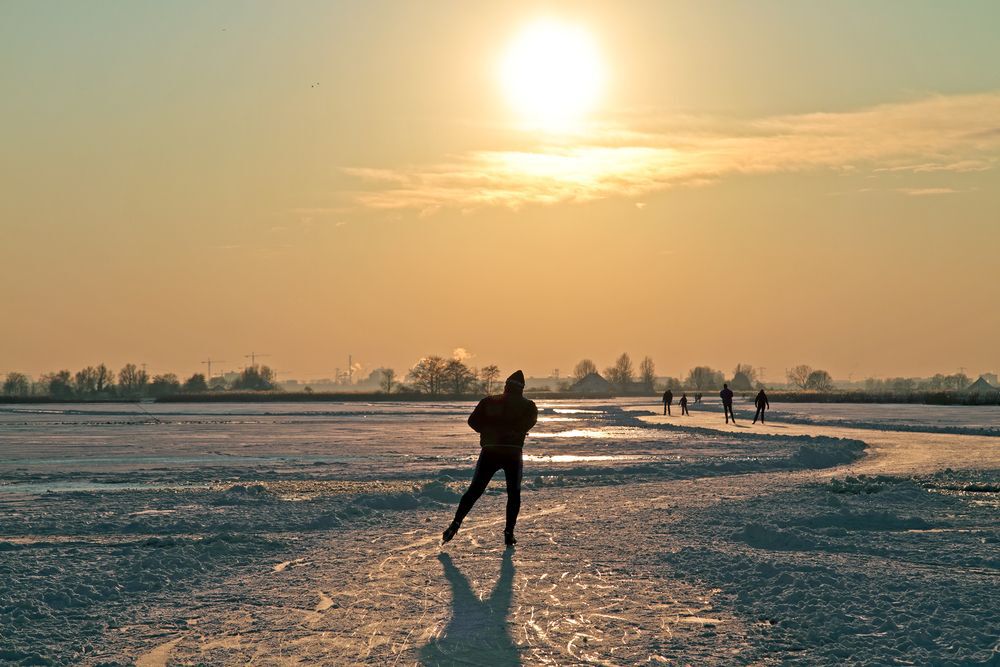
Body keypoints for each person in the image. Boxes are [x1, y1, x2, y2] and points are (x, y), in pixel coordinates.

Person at [443, 370, 537, 547]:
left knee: (475, 490)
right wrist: (514, 432)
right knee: (514, 494)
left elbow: (472, 421)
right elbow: (529, 423)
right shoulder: (529, 406)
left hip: (490, 451)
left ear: (506, 386)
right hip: (513, 453)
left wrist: (488, 432)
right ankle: (509, 533)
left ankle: (455, 523)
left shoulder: (488, 401)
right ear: (522, 389)